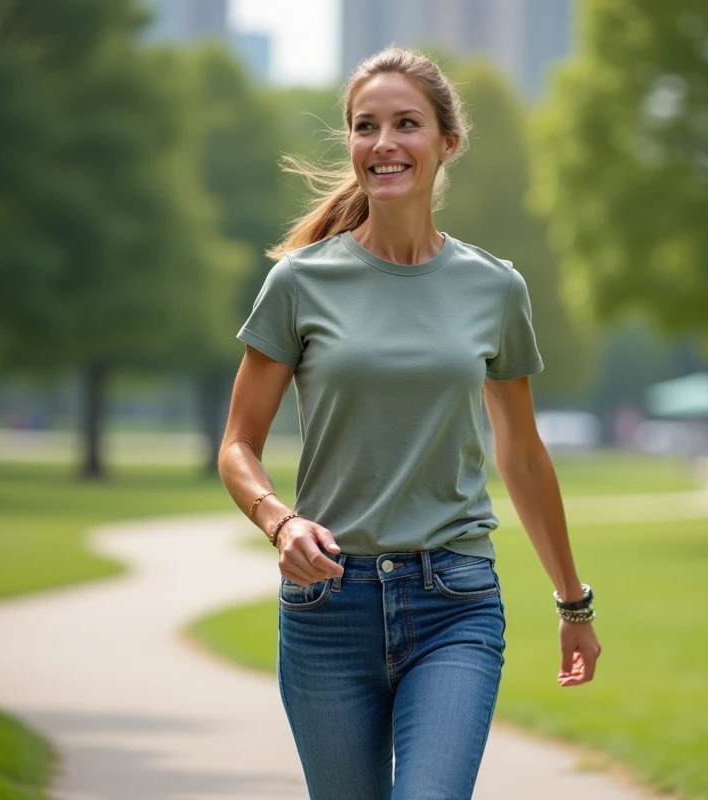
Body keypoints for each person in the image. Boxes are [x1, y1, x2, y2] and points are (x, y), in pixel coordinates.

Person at [218, 48, 601, 800]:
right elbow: (237, 445)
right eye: (366, 126)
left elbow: (523, 455)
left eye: (406, 124)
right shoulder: (299, 282)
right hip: (328, 607)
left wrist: (572, 602)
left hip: (453, 601)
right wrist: (279, 522)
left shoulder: (495, 288)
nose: (383, 142)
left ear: (447, 143)